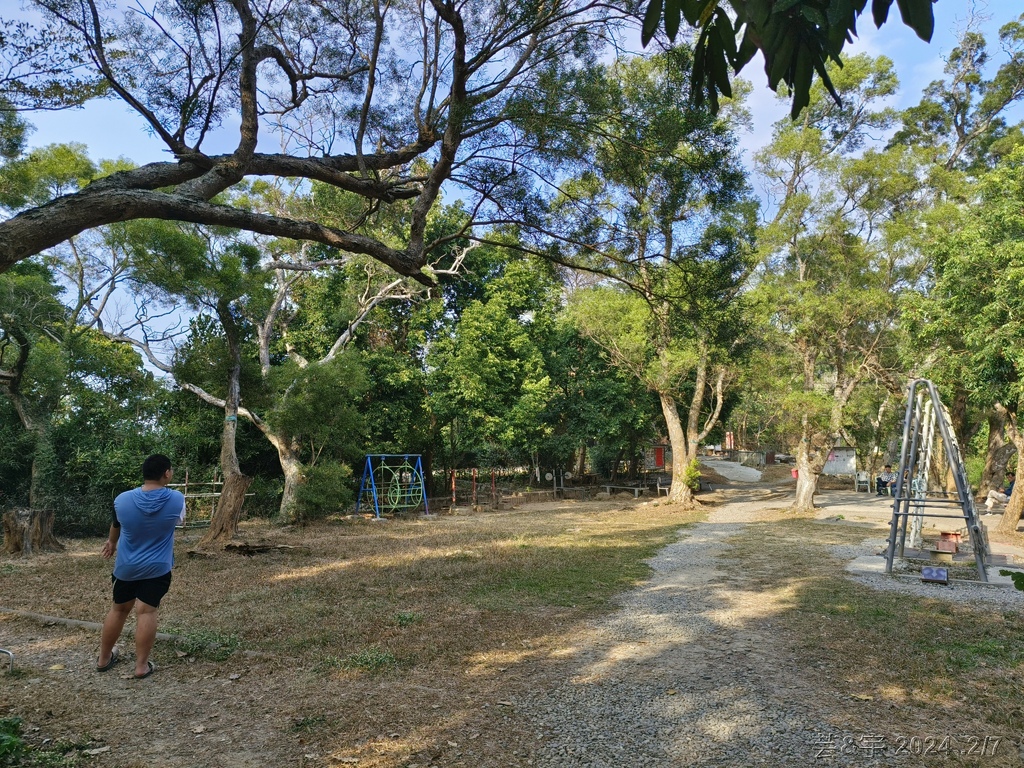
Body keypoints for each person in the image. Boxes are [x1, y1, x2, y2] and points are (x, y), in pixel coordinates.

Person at [96, 454, 185, 679]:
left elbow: (116, 524)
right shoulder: (176, 499)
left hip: (126, 567)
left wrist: (112, 542)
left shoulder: (122, 500)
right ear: (166, 473)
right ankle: (141, 667)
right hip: (158, 568)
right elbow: (179, 521)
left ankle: (104, 659)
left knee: (118, 610)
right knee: (146, 612)